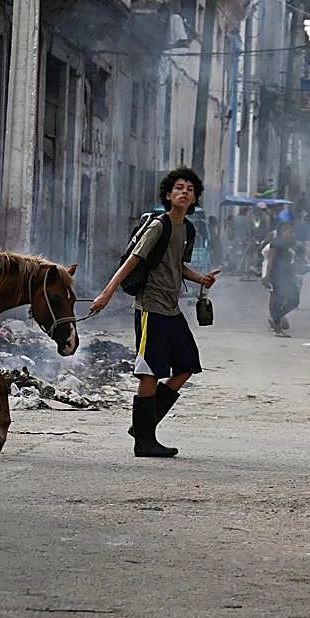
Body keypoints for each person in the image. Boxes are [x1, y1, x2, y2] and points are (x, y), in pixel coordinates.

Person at [90, 167, 220, 458]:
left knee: (187, 364)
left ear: (195, 197)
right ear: (168, 194)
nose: (184, 192)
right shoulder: (158, 226)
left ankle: (143, 426)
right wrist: (106, 294)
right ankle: (144, 441)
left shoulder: (187, 229)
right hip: (150, 307)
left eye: (189, 189)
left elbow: (177, 265)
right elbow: (132, 261)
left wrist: (201, 279)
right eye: (179, 188)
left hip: (171, 308)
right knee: (149, 372)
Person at [263, 223, 302, 336]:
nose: (292, 235)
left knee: (294, 300)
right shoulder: (276, 244)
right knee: (278, 300)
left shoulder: (289, 244)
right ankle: (277, 327)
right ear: (283, 232)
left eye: (293, 232)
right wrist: (267, 276)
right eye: (290, 232)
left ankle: (276, 318)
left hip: (288, 276)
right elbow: (270, 260)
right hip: (278, 276)